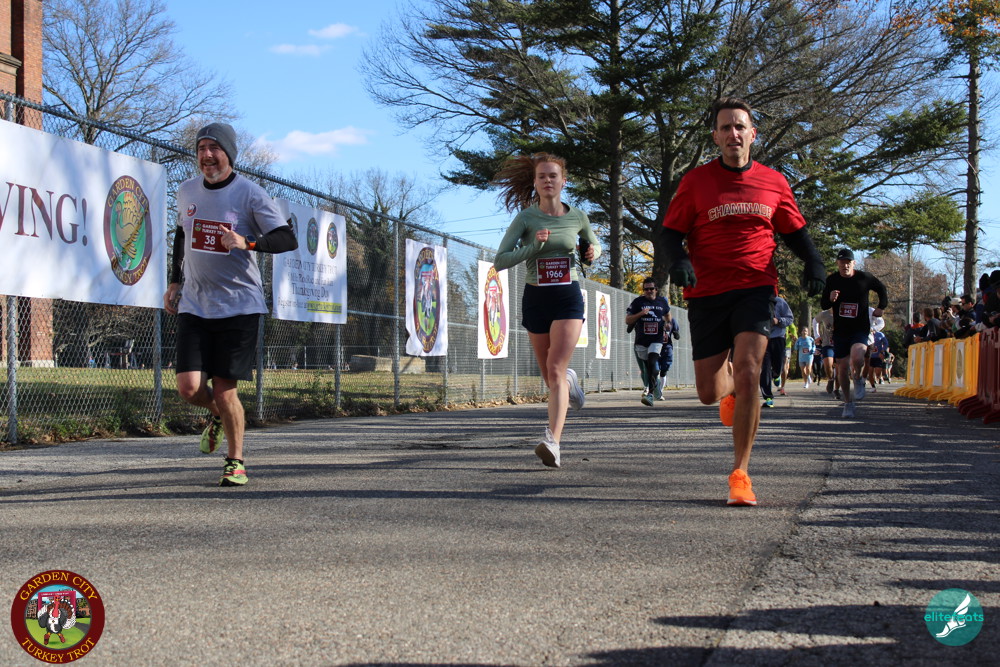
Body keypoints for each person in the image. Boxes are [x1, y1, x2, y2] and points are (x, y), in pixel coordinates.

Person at [662, 97, 826, 506]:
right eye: (725, 127)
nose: (733, 133)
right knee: (707, 392)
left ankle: (741, 473)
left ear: (753, 134)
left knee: (752, 370)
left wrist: (814, 263)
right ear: (715, 137)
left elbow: (795, 232)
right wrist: (679, 260)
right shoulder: (696, 182)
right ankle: (731, 386)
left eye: (740, 126)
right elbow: (670, 233)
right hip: (707, 293)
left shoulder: (774, 182)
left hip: (757, 287)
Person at [163, 122, 298, 486]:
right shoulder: (186, 190)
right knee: (188, 388)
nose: (207, 155)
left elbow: (286, 239)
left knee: (225, 390)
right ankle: (219, 416)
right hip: (195, 303)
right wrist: (174, 281)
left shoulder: (250, 194)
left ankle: (235, 461)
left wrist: (246, 242)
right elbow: (182, 235)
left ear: (229, 154)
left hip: (239, 305)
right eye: (201, 148)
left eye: (215, 148)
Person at [493, 152, 601, 468]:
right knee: (551, 376)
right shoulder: (526, 219)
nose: (548, 181)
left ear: (563, 181)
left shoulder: (577, 217)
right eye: (542, 176)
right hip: (535, 297)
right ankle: (569, 382)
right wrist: (534, 247)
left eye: (553, 176)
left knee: (554, 368)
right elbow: (501, 260)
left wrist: (593, 252)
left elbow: (595, 245)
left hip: (567, 296)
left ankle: (553, 442)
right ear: (535, 183)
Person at [820, 248, 888, 418]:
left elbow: (881, 288)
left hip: (860, 327)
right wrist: (830, 298)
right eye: (842, 262)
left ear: (854, 263)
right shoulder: (832, 280)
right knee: (842, 367)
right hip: (841, 330)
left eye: (848, 262)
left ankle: (858, 378)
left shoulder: (864, 278)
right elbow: (823, 304)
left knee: (858, 356)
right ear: (838, 263)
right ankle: (848, 403)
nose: (845, 265)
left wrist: (881, 307)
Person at [625, 278, 672, 406]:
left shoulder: (662, 301)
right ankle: (656, 390)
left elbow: (668, 315)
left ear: (656, 289)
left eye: (651, 289)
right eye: (646, 289)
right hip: (641, 341)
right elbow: (628, 320)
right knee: (648, 369)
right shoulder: (638, 302)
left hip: (657, 339)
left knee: (653, 364)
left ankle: (650, 395)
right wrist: (641, 313)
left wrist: (668, 323)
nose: (649, 291)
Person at [759, 294, 794, 407]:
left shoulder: (780, 302)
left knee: (778, 365)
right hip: (763, 338)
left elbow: (790, 319)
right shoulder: (757, 301)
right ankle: (768, 397)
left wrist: (778, 321)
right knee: (765, 368)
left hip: (778, 338)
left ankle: (776, 374)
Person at [656, 317, 681, 400]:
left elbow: (677, 335)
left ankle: (660, 392)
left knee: (664, 371)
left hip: (666, 348)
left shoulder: (672, 320)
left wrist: (675, 333)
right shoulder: (654, 318)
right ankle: (651, 391)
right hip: (654, 347)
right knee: (654, 370)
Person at [777, 320, 797, 396]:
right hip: (774, 343)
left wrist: (794, 335)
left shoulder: (786, 317)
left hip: (786, 345)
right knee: (777, 365)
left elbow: (793, 328)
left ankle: (782, 387)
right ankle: (776, 376)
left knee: (785, 365)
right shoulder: (773, 316)